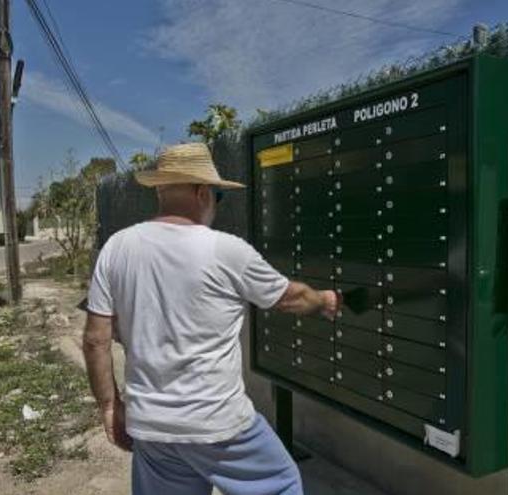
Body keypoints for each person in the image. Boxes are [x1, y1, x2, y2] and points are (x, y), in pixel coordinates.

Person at [82, 142, 340, 495]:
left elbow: (96, 339)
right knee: (282, 483)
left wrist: (110, 406)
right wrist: (323, 299)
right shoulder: (227, 250)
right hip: (218, 424)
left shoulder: (117, 247)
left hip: (151, 427)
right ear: (204, 192)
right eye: (218, 197)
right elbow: (291, 299)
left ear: (160, 190)